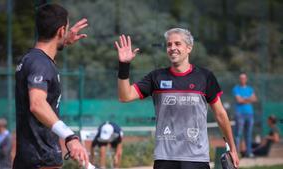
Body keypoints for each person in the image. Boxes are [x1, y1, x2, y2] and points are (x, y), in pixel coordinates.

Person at [114, 28, 239, 169]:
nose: (172, 48)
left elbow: (221, 115)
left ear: (189, 48)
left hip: (196, 159)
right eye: (169, 45)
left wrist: (233, 149)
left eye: (177, 44)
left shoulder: (205, 77)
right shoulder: (156, 77)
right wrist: (124, 65)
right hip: (165, 159)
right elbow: (125, 96)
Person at [13, 4, 90, 169]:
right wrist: (70, 137)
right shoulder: (41, 63)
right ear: (61, 31)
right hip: (41, 160)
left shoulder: (30, 59)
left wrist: (63, 41)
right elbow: (37, 104)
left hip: (29, 159)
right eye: (66, 29)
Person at [233, 73, 257, 157]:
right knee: (238, 134)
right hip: (239, 114)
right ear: (239, 79)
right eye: (241, 78)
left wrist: (244, 99)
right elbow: (239, 100)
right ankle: (236, 153)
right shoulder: (236, 89)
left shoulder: (250, 89)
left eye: (244, 78)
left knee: (248, 134)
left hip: (250, 114)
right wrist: (248, 99)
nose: (242, 79)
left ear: (246, 79)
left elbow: (254, 99)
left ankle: (249, 153)